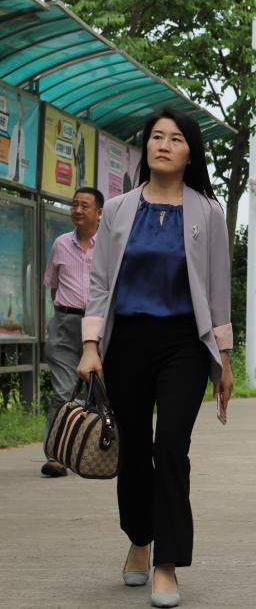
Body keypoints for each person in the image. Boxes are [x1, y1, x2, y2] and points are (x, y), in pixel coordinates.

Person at [77, 109, 233, 609]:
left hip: (185, 344)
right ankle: (139, 539)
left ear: (190, 153)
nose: (164, 145)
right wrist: (91, 345)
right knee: (135, 449)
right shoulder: (119, 209)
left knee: (170, 448)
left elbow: (218, 291)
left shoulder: (207, 212)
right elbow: (100, 283)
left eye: (176, 138)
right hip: (128, 341)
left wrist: (224, 359)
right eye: (157, 137)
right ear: (146, 148)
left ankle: (167, 562)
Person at [40, 186, 103, 478]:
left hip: (101, 327)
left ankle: (102, 449)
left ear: (99, 212)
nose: (77, 210)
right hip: (66, 325)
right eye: (74, 204)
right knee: (62, 393)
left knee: (102, 392)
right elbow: (53, 286)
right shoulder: (61, 244)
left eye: (84, 206)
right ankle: (56, 455)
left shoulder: (109, 246)